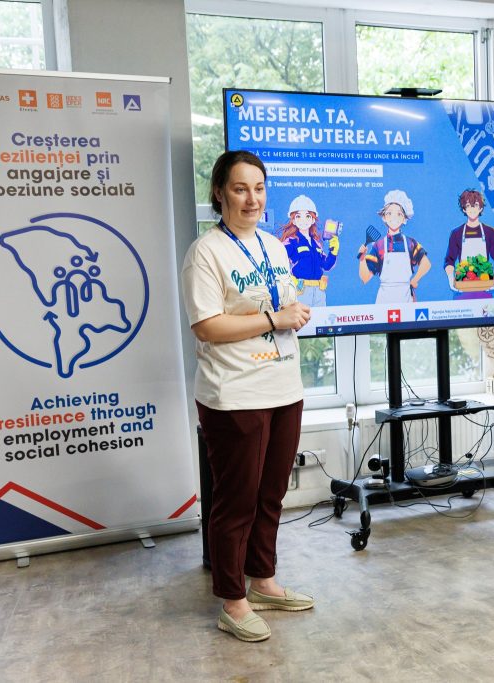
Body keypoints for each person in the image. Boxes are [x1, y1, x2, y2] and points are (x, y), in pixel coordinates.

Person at [181, 150, 315, 643]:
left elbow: (281, 303)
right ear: (220, 193)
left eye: (259, 188)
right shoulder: (206, 252)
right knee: (236, 501)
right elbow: (207, 325)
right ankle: (232, 601)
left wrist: (292, 313)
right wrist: (274, 319)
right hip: (234, 393)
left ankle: (264, 581)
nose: (251, 198)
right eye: (240, 188)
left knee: (271, 494)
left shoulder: (273, 246)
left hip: (283, 386)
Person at [358, 189, 431, 302]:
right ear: (384, 217)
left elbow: (426, 264)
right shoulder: (379, 245)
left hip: (406, 297)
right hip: (384, 299)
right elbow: (365, 278)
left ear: (404, 219)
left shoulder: (410, 243)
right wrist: (362, 259)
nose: (394, 218)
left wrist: (415, 280)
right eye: (389, 213)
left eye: (399, 214)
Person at [443, 189, 494, 299]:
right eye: (468, 206)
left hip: (485, 285)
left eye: (475, 205)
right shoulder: (456, 233)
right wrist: (450, 279)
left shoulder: (489, 232)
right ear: (464, 209)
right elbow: (449, 261)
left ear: (481, 208)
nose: (472, 209)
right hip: (462, 288)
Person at [280, 194, 339, 307]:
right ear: (293, 220)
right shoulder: (291, 242)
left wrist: (333, 252)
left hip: (319, 291)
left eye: (307, 216)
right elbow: (278, 263)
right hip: (301, 290)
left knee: (321, 317)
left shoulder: (316, 244)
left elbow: (326, 266)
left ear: (313, 219)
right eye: (298, 216)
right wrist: (290, 280)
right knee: (301, 318)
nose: (303, 220)